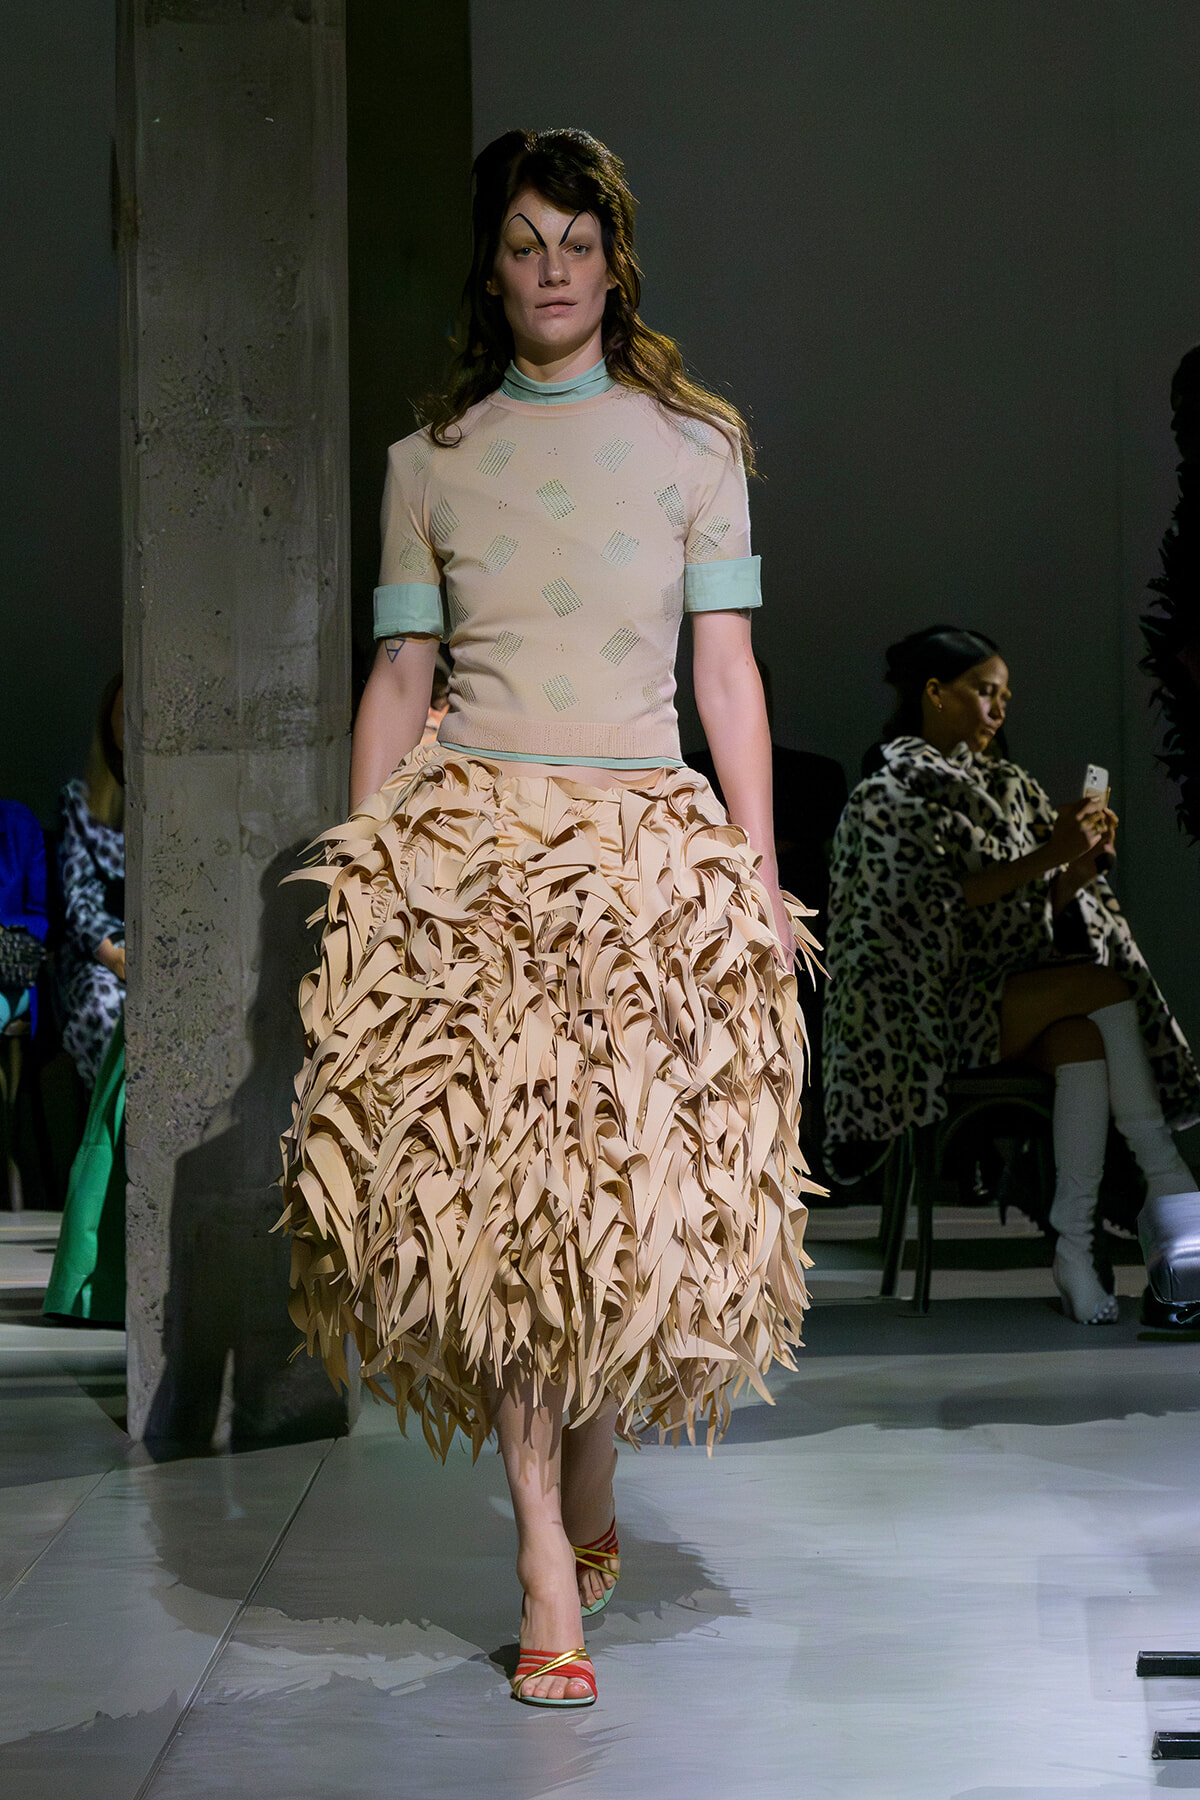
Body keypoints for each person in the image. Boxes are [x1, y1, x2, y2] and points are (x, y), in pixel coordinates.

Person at [279, 128, 816, 1708]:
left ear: (616, 256)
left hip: (645, 866)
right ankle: (539, 1563)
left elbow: (727, 674)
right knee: (509, 1228)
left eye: (577, 239)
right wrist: (367, 873)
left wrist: (762, 867)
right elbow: (398, 681)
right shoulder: (428, 460)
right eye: (524, 242)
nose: (554, 267)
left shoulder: (693, 445)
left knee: (619, 1216)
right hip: (478, 868)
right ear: (493, 265)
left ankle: (586, 1476)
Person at [823, 625, 1200, 1326]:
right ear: (935, 694)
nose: (998, 710)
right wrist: (1046, 858)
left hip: (995, 994)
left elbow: (1017, 916)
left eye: (1004, 696)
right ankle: (1172, 1186)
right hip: (922, 1015)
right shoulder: (889, 795)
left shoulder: (1010, 787)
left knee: (1083, 1043)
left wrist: (1073, 872)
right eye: (983, 692)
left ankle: (1075, 1253)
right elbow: (929, 919)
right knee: (1102, 988)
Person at [57, 675, 125, 1087]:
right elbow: (78, 901)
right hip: (97, 954)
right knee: (105, 1008)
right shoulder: (80, 799)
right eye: (121, 717)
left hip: (156, 951)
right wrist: (114, 957)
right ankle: (116, 1137)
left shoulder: (168, 798)